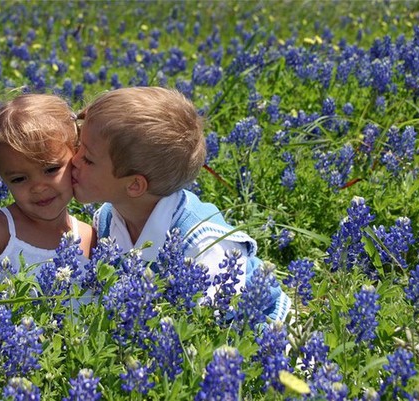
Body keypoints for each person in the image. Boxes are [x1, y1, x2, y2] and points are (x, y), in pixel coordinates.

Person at [71, 86, 290, 322]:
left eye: (88, 159)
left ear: (135, 185)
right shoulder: (107, 219)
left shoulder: (203, 243)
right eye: (78, 146)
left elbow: (214, 323)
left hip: (262, 333)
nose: (73, 159)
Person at [0, 93, 96, 281]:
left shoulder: (90, 238)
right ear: (3, 177)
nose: (38, 187)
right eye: (19, 179)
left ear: (76, 155)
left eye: (51, 169)